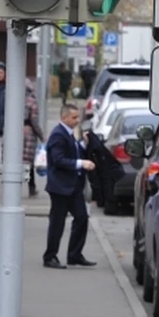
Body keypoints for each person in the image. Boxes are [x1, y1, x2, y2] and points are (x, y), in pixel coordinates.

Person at [43, 103, 97, 269]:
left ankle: (74, 255)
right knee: (57, 223)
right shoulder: (58, 135)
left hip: (72, 186)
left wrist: (83, 145)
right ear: (64, 117)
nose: (77, 120)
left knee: (81, 218)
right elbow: (59, 160)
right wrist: (82, 163)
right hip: (60, 187)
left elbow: (72, 152)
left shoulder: (69, 133)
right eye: (73, 117)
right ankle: (50, 256)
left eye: (77, 117)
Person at [23, 80, 46, 198]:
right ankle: (31, 187)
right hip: (28, 134)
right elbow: (34, 121)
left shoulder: (11, 98)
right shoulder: (32, 101)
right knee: (28, 162)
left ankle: (11, 186)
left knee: (12, 160)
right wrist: (42, 135)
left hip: (12, 132)